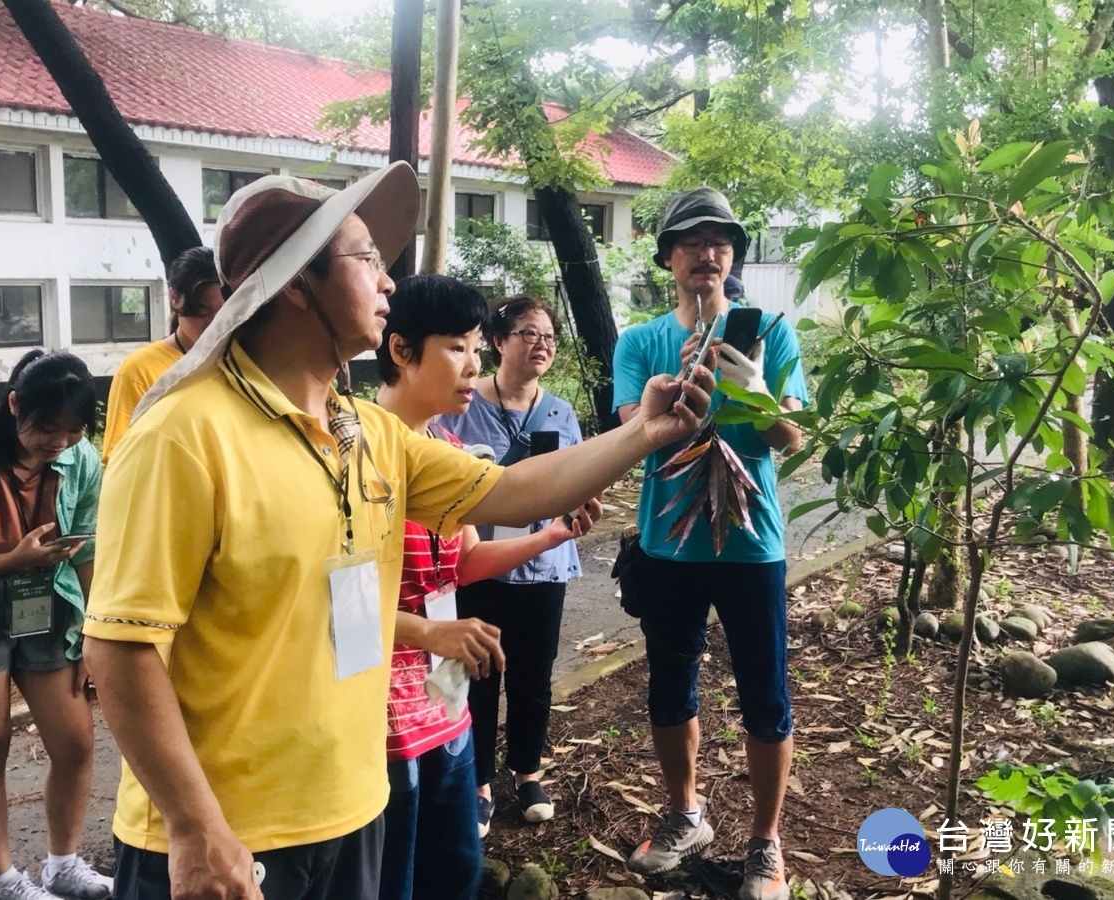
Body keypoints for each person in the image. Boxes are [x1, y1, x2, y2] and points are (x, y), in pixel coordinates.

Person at [81, 165, 715, 900]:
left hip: (352, 808)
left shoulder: (369, 431)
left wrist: (646, 429)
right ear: (294, 282)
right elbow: (122, 645)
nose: (388, 283)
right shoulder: (185, 434)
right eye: (366, 260)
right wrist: (194, 827)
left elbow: (512, 491)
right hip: (230, 835)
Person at [373, 274, 600, 900]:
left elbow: (466, 561)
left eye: (477, 347)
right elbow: (325, 599)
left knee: (452, 874)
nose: (474, 365)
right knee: (395, 875)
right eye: (460, 348)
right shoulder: (359, 448)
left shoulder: (444, 445)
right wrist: (426, 630)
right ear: (400, 350)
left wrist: (549, 538)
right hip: (377, 715)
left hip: (440, 704)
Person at [612, 186, 808, 900]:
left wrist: (752, 387)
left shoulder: (770, 332)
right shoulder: (640, 342)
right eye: (692, 241)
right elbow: (634, 437)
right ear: (669, 258)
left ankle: (765, 843)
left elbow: (790, 439)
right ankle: (685, 814)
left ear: (733, 257)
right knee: (670, 689)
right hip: (670, 548)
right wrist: (666, 404)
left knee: (766, 697)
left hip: (753, 549)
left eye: (721, 240)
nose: (708, 251)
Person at [0, 350, 108, 900]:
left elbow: (87, 545)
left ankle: (62, 865)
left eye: (72, 431)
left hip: (51, 604)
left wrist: (95, 629)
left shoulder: (82, 458)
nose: (60, 443)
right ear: (14, 403)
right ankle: (0, 880)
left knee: (75, 743)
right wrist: (15, 561)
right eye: (47, 429)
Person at [436, 295, 585, 838]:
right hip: (480, 564)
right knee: (477, 674)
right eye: (528, 333)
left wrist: (579, 503)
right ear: (498, 342)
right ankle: (476, 782)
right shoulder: (463, 402)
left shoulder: (562, 411)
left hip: (544, 561)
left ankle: (527, 772)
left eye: (548, 335)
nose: (541, 343)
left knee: (532, 676)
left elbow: (579, 477)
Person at [100, 245, 224, 462]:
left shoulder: (243, 357)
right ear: (174, 298)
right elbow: (120, 457)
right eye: (201, 312)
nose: (213, 325)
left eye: (223, 313)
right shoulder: (140, 369)